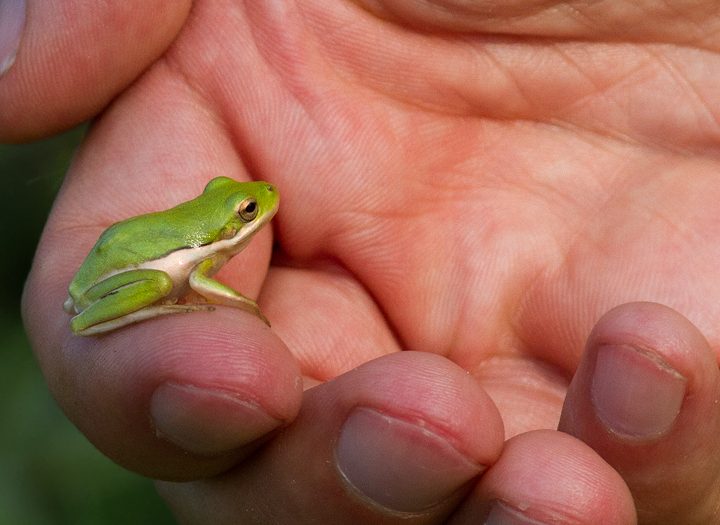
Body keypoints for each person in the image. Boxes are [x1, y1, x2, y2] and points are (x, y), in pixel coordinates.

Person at [7, 0, 720, 522]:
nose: (255, 211)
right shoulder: (213, 244)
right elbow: (195, 273)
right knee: (182, 297)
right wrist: (205, 296)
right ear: (234, 229)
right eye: (247, 215)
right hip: (126, 272)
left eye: (244, 210)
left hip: (133, 247)